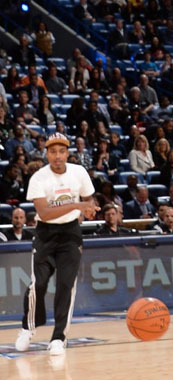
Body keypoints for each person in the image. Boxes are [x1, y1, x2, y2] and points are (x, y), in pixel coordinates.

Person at [15, 133, 98, 355]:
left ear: (67, 153)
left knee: (66, 286)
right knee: (38, 284)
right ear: (47, 153)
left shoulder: (79, 172)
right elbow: (44, 212)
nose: (57, 156)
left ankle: (59, 337)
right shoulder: (39, 178)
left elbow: (90, 199)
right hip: (45, 233)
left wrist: (89, 208)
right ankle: (28, 327)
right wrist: (76, 206)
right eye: (53, 152)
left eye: (61, 151)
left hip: (70, 233)